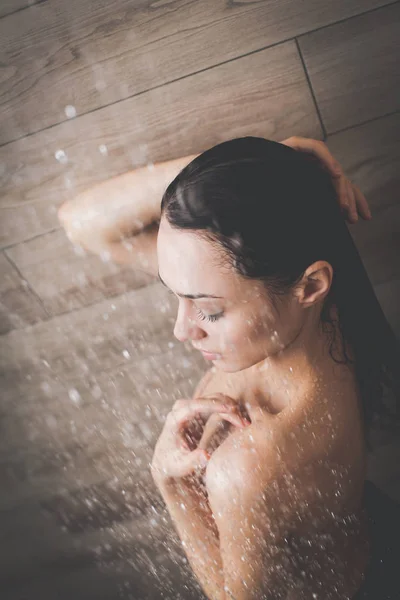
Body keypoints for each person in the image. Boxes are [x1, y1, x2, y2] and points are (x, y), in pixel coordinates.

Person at [58, 136, 400, 599]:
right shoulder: (310, 291)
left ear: (311, 285)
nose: (182, 329)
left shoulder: (249, 467)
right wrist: (243, 170)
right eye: (174, 294)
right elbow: (79, 223)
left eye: (209, 311)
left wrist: (173, 489)